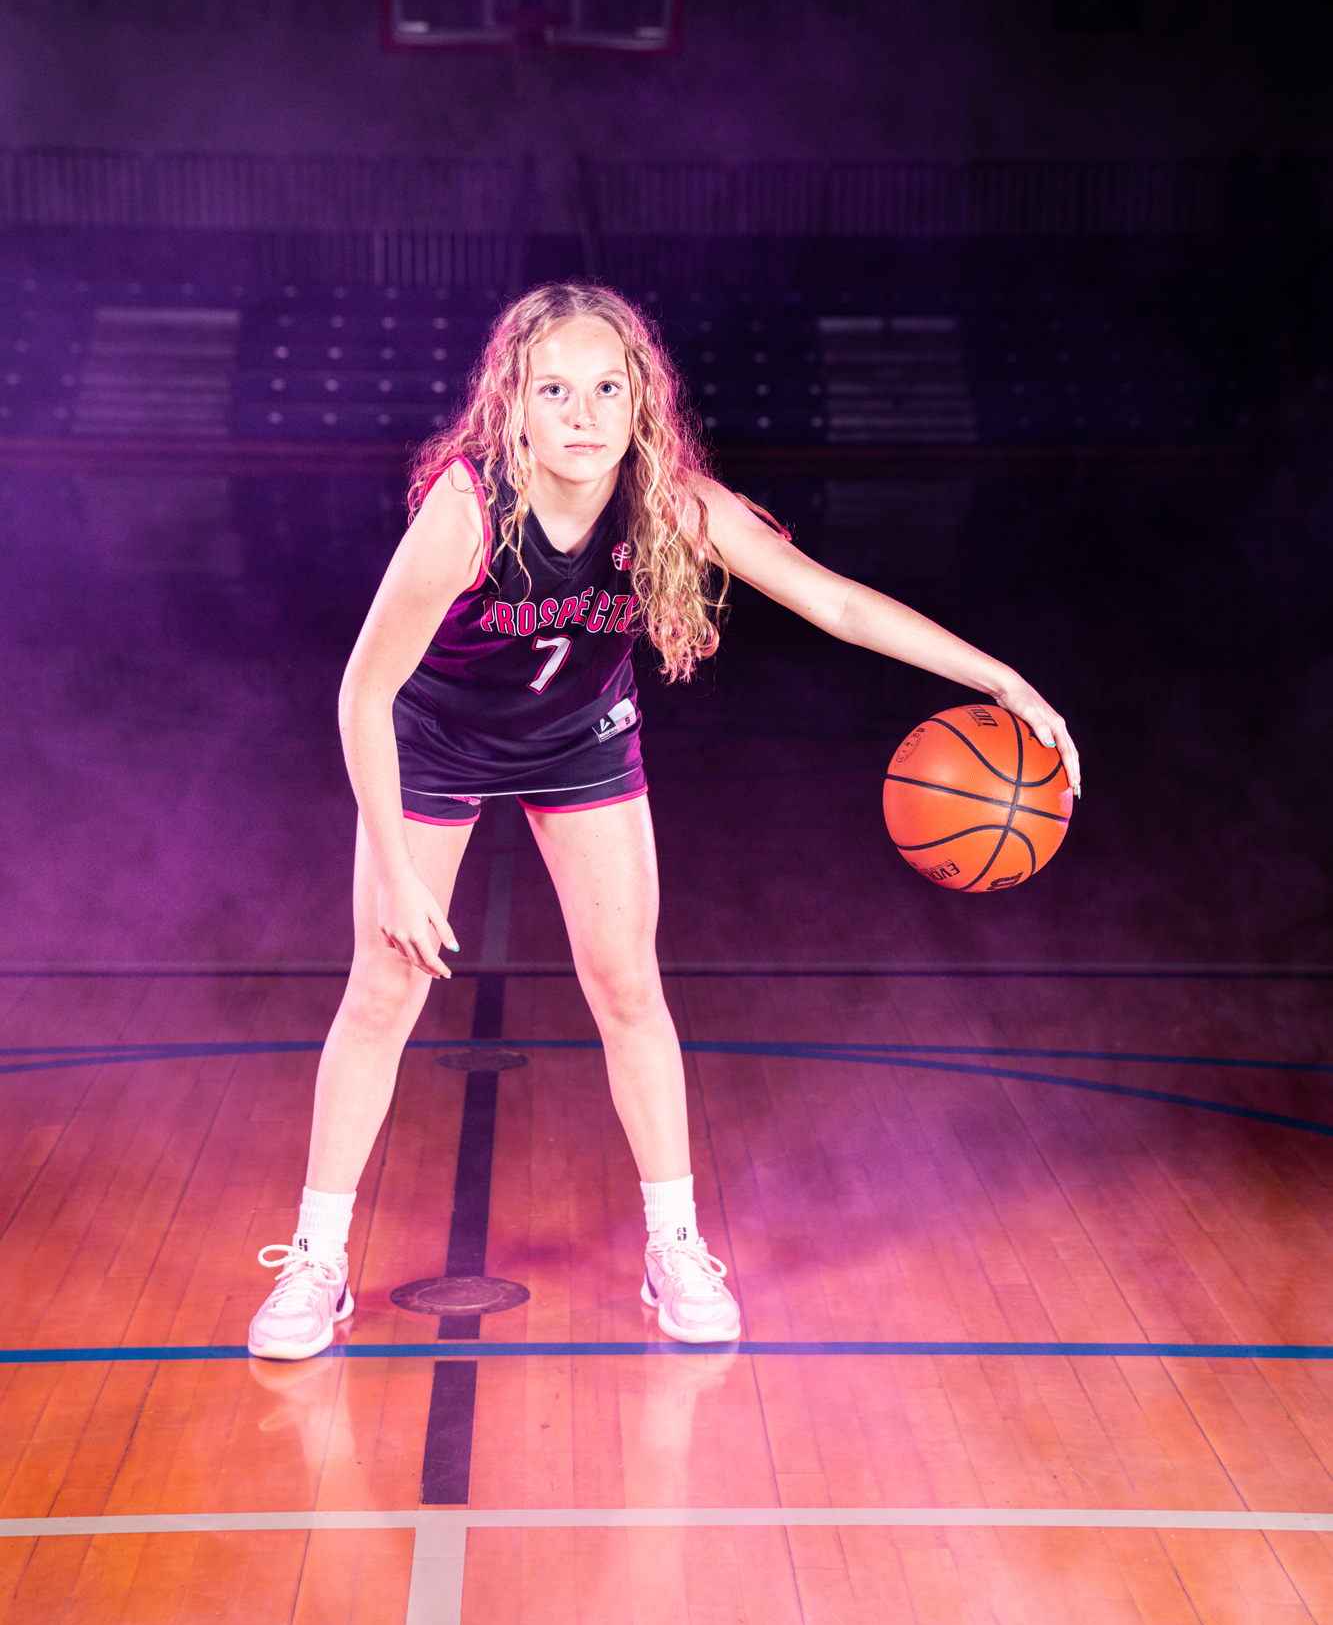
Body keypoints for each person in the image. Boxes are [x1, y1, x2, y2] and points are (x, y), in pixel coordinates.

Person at [247, 282, 1080, 1361]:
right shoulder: (466, 510)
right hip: (436, 742)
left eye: (607, 388)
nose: (583, 414)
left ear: (640, 399)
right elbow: (363, 692)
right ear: (512, 404)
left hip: (578, 739)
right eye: (555, 390)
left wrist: (999, 677)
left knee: (628, 986)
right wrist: (399, 876)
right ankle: (317, 1260)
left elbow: (830, 599)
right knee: (382, 990)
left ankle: (674, 1245)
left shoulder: (666, 499)